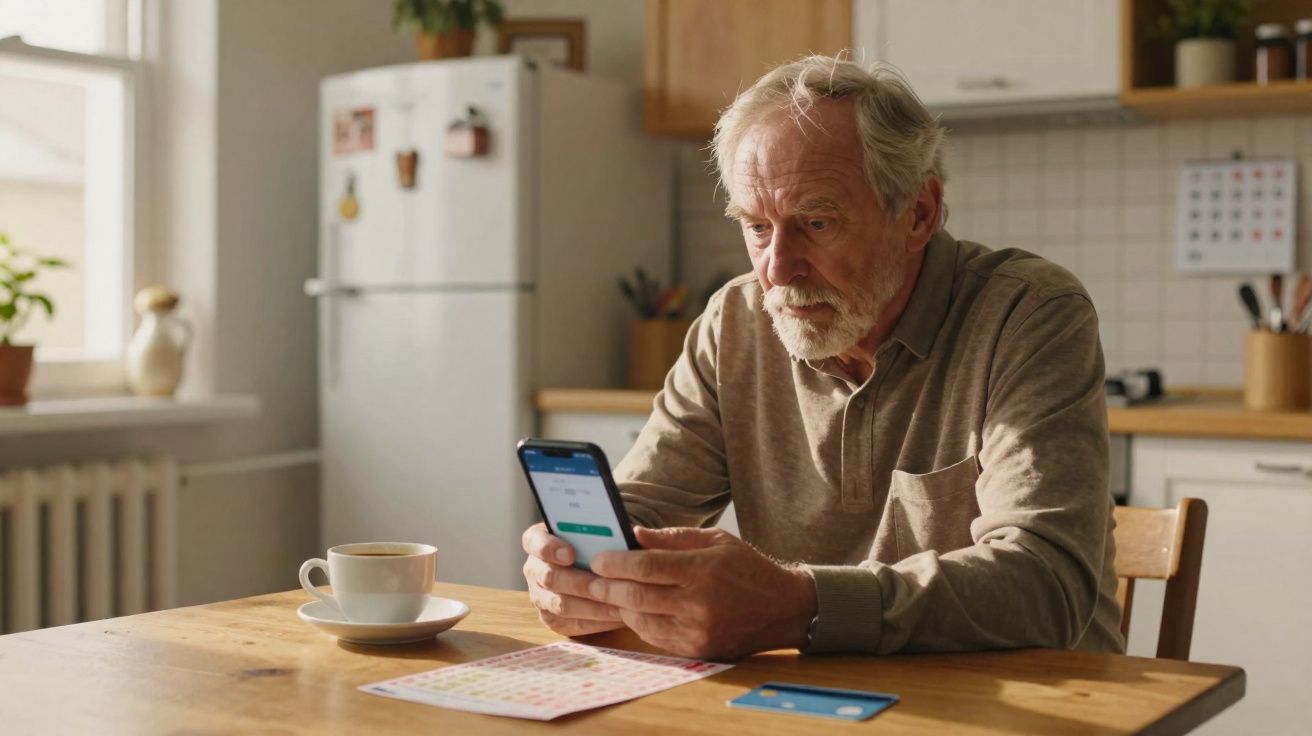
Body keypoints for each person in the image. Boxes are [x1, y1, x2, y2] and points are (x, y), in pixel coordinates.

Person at [521, 55, 1124, 660]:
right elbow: (641, 507)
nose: (777, 270)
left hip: (1038, 705)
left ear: (918, 213)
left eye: (815, 222)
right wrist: (574, 563)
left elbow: (1046, 585)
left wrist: (798, 605)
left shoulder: (1030, 314)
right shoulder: (735, 322)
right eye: (757, 227)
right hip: (819, 700)